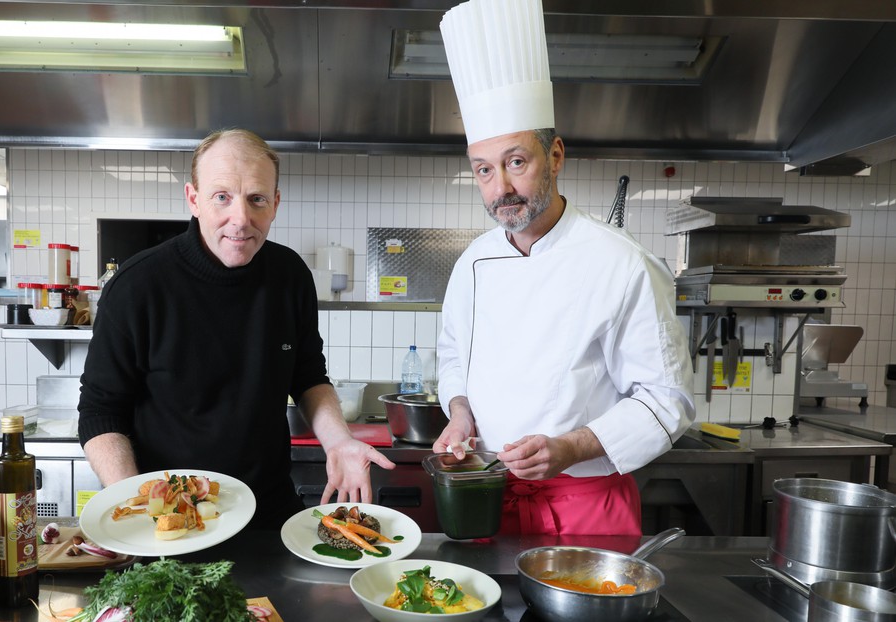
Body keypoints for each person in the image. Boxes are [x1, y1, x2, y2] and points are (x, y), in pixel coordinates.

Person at [434, 0, 696, 537]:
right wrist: (459, 413)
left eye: (516, 162)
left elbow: (666, 401)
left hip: (585, 508)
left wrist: (569, 448)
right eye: (484, 170)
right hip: (488, 497)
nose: (500, 188)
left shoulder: (622, 263)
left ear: (554, 156)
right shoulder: (473, 263)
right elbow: (454, 358)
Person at [77, 128, 394, 529]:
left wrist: (339, 440)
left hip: (267, 517)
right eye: (222, 197)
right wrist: (137, 507)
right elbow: (100, 412)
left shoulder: (290, 276)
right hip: (168, 528)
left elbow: (309, 376)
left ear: (275, 204)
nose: (240, 220)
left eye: (256, 199)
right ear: (193, 199)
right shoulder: (138, 285)